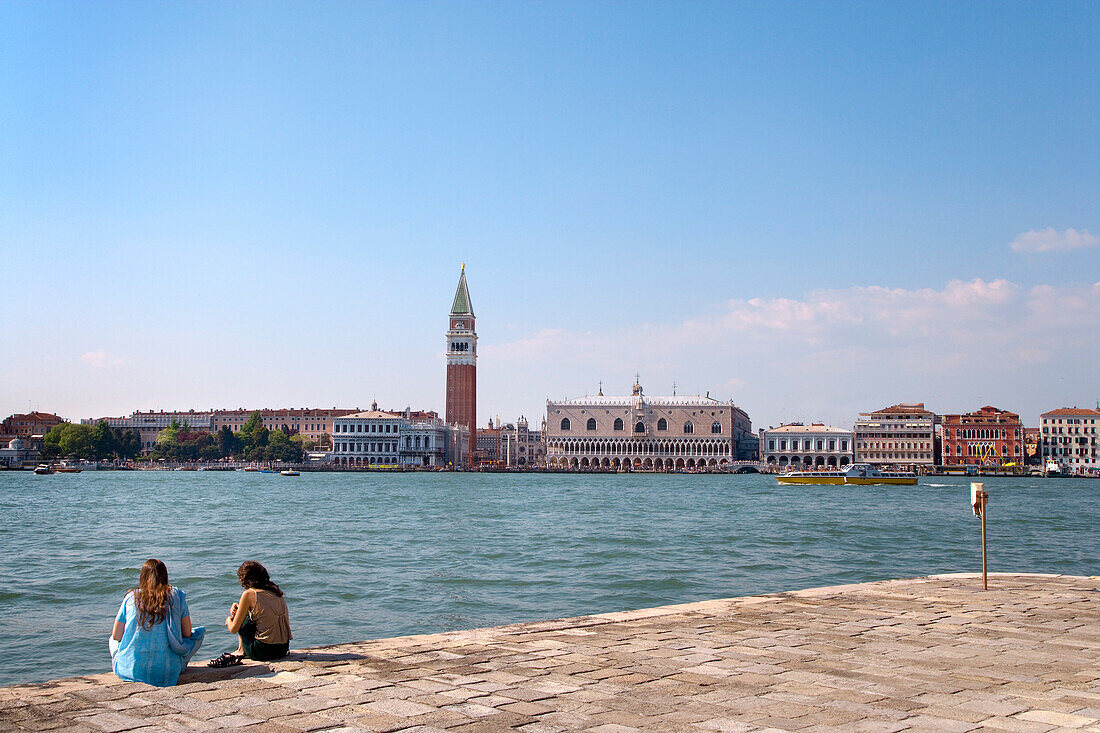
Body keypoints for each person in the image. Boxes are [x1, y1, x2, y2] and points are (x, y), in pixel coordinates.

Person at [110, 559, 204, 687]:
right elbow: (187, 633)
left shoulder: (131, 597)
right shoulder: (177, 596)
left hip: (131, 668)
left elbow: (116, 635)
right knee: (198, 634)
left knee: (112, 640)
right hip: (168, 669)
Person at [208, 561, 291, 667]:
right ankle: (241, 649)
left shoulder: (249, 594)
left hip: (263, 651)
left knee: (243, 617)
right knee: (246, 614)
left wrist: (229, 619)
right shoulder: (275, 591)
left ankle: (240, 650)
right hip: (282, 649)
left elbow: (233, 629)